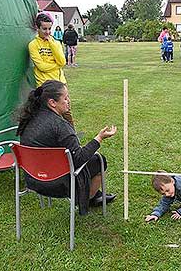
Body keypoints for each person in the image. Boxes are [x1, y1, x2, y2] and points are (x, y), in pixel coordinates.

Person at [16, 80, 117, 215]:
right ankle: (88, 199)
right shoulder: (60, 126)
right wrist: (99, 138)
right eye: (65, 98)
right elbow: (79, 158)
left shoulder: (29, 118)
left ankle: (95, 195)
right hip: (58, 183)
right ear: (52, 103)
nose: (69, 101)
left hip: (33, 179)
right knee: (99, 160)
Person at [28, 13, 73, 125]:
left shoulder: (55, 42)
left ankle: (72, 138)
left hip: (60, 83)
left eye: (49, 28)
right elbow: (41, 67)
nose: (47, 32)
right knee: (47, 114)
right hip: (44, 85)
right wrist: (57, 65)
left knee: (66, 111)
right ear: (37, 28)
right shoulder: (33, 45)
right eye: (44, 29)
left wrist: (52, 44)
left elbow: (62, 61)